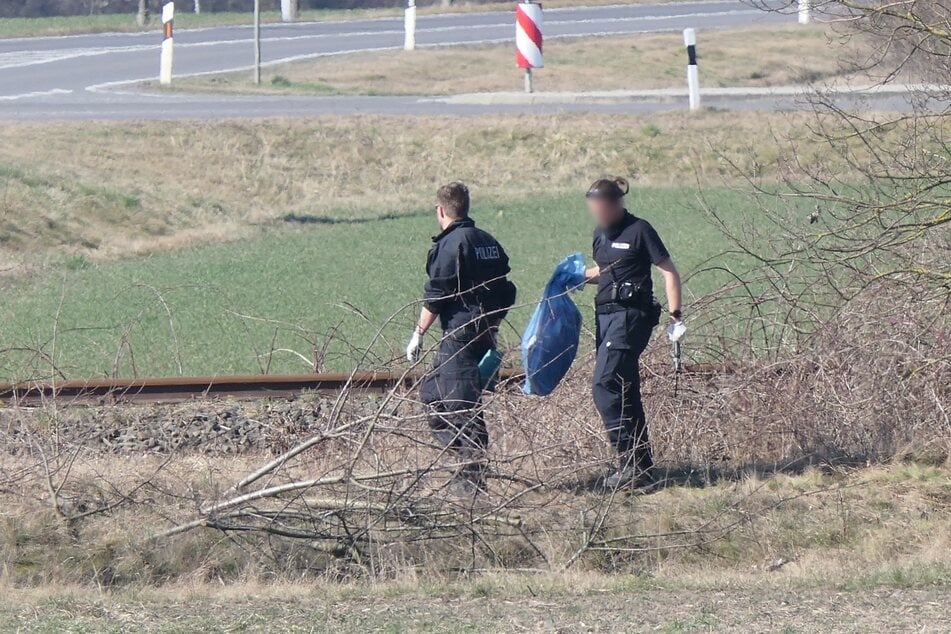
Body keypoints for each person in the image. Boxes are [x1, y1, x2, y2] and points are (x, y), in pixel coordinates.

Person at [406, 182, 517, 493]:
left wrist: (417, 334)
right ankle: (466, 466)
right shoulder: (487, 241)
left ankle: (472, 478)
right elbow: (506, 288)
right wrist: (492, 324)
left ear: (440, 210)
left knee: (459, 404)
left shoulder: (451, 244)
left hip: (460, 333)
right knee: (433, 394)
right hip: (483, 330)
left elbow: (436, 295)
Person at [583, 177, 683, 490]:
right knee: (625, 390)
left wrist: (675, 316)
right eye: (592, 208)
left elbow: (668, 271)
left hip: (632, 317)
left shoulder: (640, 230)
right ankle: (642, 469)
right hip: (606, 318)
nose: (597, 214)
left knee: (605, 384)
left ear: (615, 204)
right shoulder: (600, 235)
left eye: (601, 207)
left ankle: (629, 465)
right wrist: (573, 277)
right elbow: (605, 270)